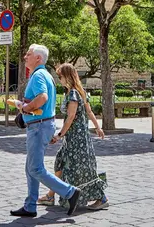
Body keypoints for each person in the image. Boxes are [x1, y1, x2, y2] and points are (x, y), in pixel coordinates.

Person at [8, 45, 82, 218]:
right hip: (42, 125)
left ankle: (70, 192)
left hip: (38, 127)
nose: (25, 57)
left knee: (35, 168)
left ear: (38, 58)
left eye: (28, 54)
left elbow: (42, 97)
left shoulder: (38, 75)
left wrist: (25, 108)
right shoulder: (45, 74)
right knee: (31, 168)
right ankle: (30, 206)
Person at [37, 63, 109, 210]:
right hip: (77, 137)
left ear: (67, 76)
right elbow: (89, 112)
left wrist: (59, 135)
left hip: (76, 139)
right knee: (61, 162)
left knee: (83, 169)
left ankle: (102, 198)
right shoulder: (79, 92)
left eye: (60, 76)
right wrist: (97, 127)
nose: (59, 79)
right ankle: (50, 195)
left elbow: (70, 117)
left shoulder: (73, 94)